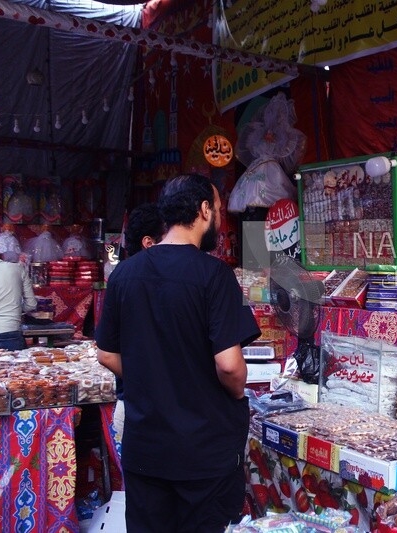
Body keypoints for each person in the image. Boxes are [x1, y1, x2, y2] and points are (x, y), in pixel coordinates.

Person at [96, 174, 260, 532]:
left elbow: (106, 354)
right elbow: (230, 366)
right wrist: (232, 390)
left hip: (146, 451)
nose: (217, 217)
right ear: (203, 211)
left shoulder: (124, 274)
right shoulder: (214, 275)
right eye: (216, 209)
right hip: (203, 453)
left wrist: (150, 376)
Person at [112, 203, 167, 451]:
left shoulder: (119, 277)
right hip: (159, 410)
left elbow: (106, 353)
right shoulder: (168, 282)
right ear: (149, 242)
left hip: (131, 404)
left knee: (138, 487)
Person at [0, 244, 37, 350]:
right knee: (15, 366)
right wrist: (16, 308)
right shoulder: (18, 268)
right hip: (10, 330)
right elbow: (31, 305)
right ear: (1, 256)